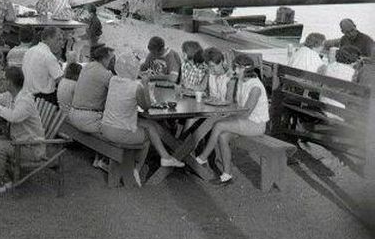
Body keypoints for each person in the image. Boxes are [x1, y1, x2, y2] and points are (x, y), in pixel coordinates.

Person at [99, 56, 182, 182]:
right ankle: (136, 169)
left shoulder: (114, 80)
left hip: (106, 126)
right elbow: (147, 107)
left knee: (150, 125)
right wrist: (145, 84)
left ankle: (165, 157)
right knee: (150, 135)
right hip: (119, 131)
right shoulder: (136, 87)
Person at [194, 57, 270, 185]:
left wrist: (228, 118)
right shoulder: (241, 80)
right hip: (245, 122)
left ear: (245, 69)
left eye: (237, 67)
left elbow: (246, 113)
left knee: (218, 125)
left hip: (256, 124)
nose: (234, 70)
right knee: (223, 136)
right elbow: (236, 105)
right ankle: (227, 175)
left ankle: (202, 158)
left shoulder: (255, 87)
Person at [0, 65, 46, 194]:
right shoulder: (11, 95)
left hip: (31, 148)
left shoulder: (25, 100)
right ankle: (5, 178)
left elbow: (14, 117)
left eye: (4, 79)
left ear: (9, 82)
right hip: (20, 143)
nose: (2, 82)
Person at [68, 44, 114, 135]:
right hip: (89, 120)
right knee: (119, 128)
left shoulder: (86, 67)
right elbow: (117, 95)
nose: (114, 62)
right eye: (112, 59)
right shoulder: (105, 74)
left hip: (73, 115)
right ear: (104, 59)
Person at [22, 27, 65, 103]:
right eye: (58, 39)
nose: (62, 43)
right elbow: (62, 82)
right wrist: (71, 62)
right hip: (44, 100)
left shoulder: (30, 51)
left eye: (62, 39)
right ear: (48, 38)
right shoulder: (48, 55)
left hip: (26, 96)